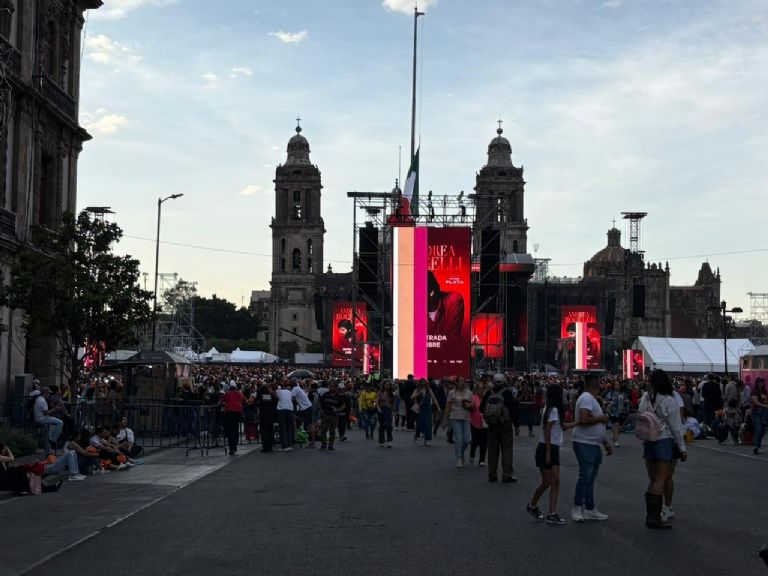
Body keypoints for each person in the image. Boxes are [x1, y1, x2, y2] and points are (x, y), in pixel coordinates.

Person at [638, 370, 687, 529]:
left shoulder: (645, 398)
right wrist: (682, 447)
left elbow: (640, 414)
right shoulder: (669, 400)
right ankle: (656, 516)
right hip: (664, 439)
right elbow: (675, 426)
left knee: (652, 479)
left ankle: (650, 515)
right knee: (661, 479)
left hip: (648, 440)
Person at [527, 384, 573, 524]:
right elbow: (547, 431)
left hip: (552, 447)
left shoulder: (552, 409)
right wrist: (548, 452)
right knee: (547, 481)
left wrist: (579, 423)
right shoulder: (553, 410)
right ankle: (532, 504)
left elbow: (563, 426)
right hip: (547, 447)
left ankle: (552, 512)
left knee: (555, 481)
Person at [571, 375, 612, 523]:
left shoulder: (590, 399)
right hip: (585, 443)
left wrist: (605, 443)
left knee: (590, 478)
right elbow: (584, 419)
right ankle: (577, 507)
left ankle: (589, 508)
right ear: (596, 384)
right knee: (585, 476)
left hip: (592, 443)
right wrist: (602, 419)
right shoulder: (587, 398)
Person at [480, 375, 521, 482]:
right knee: (506, 450)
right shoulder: (507, 393)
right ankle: (507, 474)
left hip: (492, 425)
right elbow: (513, 410)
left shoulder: (489, 393)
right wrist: (516, 426)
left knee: (492, 451)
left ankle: (492, 474)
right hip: (505, 425)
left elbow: (481, 408)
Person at [412, 379, 440, 447]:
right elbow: (412, 397)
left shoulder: (429, 390)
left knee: (428, 424)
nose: (423, 383)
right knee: (419, 423)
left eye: (424, 382)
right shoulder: (417, 390)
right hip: (420, 409)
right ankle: (417, 435)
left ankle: (427, 440)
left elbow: (434, 398)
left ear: (426, 383)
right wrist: (418, 393)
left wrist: (438, 407)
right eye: (421, 382)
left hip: (428, 408)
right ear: (420, 383)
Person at [319, 382, 345, 450]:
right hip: (325, 415)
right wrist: (321, 411)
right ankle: (323, 444)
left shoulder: (338, 397)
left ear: (336, 388)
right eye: (330, 386)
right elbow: (320, 403)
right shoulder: (325, 395)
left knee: (332, 431)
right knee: (323, 430)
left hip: (334, 416)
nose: (331, 388)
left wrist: (337, 410)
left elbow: (343, 406)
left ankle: (331, 445)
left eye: (333, 386)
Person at [602, 380, 627, 447]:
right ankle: (616, 441)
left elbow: (626, 402)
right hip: (613, 412)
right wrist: (608, 403)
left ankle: (615, 437)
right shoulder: (610, 393)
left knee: (620, 428)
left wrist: (626, 402)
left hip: (622, 412)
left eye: (618, 384)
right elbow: (604, 402)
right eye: (615, 384)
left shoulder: (623, 394)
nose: (617, 386)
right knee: (615, 424)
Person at [469, 380, 488, 466]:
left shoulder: (486, 399)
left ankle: (482, 460)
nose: (481, 390)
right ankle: (472, 453)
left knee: (484, 442)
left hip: (484, 423)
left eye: (482, 388)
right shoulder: (473, 398)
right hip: (474, 422)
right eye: (479, 388)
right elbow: (470, 408)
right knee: (475, 441)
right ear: (476, 390)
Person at [221, 383, 244, 455]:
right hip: (238, 412)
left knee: (231, 430)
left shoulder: (228, 393)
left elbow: (222, 401)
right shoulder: (239, 393)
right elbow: (242, 401)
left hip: (230, 411)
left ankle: (232, 448)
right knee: (235, 428)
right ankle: (235, 443)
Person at [292, 379, 315, 448]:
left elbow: (291, 398)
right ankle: (311, 441)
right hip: (306, 407)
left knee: (310, 424)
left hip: (306, 408)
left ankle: (296, 436)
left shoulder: (295, 389)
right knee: (295, 418)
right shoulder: (299, 389)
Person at [256, 381, 277, 453]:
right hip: (270, 414)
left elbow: (257, 402)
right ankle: (270, 447)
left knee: (263, 430)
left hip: (263, 414)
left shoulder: (260, 395)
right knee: (270, 430)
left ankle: (265, 447)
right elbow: (275, 402)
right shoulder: (271, 395)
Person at [276, 382, 295, 451]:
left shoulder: (278, 391)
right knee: (289, 427)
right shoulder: (290, 392)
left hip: (282, 409)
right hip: (290, 409)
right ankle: (290, 445)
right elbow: (291, 399)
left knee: (283, 427)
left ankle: (284, 446)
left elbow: (275, 396)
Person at [751, 378, 768, 455]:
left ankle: (758, 447)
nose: (762, 384)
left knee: (763, 430)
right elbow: (755, 402)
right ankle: (756, 446)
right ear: (757, 383)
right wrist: (765, 405)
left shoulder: (764, 391)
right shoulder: (754, 391)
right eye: (760, 382)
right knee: (758, 428)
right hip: (756, 412)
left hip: (764, 413)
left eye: (763, 382)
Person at [377, 380, 395, 447]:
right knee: (382, 426)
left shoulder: (391, 393)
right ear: (384, 385)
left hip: (389, 410)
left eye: (388, 384)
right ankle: (381, 441)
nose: (387, 386)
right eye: (386, 384)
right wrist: (378, 408)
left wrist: (394, 412)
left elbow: (393, 403)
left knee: (389, 425)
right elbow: (377, 402)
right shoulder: (380, 392)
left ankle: (389, 441)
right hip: (382, 409)